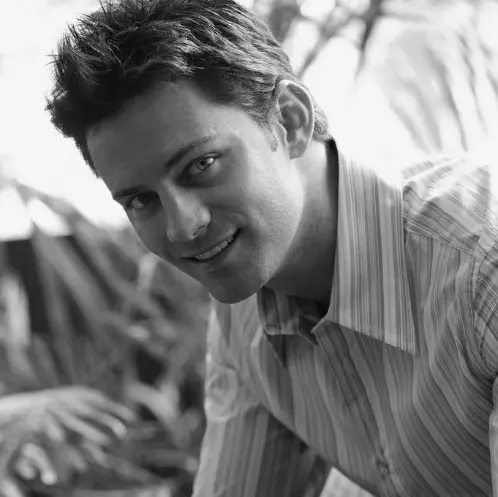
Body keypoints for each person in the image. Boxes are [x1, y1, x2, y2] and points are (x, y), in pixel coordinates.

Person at [46, 0, 498, 495]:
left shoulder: (483, 272)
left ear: (290, 120)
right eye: (141, 200)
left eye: (201, 165)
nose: (182, 227)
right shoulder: (244, 321)